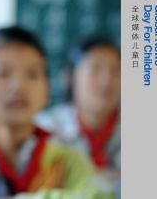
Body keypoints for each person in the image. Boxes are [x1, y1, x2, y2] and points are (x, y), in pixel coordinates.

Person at [0, 26, 112, 198]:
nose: (19, 86)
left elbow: (98, 195)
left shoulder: (68, 155)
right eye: (3, 74)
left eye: (33, 74)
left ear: (47, 92)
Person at [35, 36, 121, 198]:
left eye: (116, 71)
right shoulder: (45, 128)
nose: (106, 81)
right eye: (95, 69)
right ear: (70, 77)